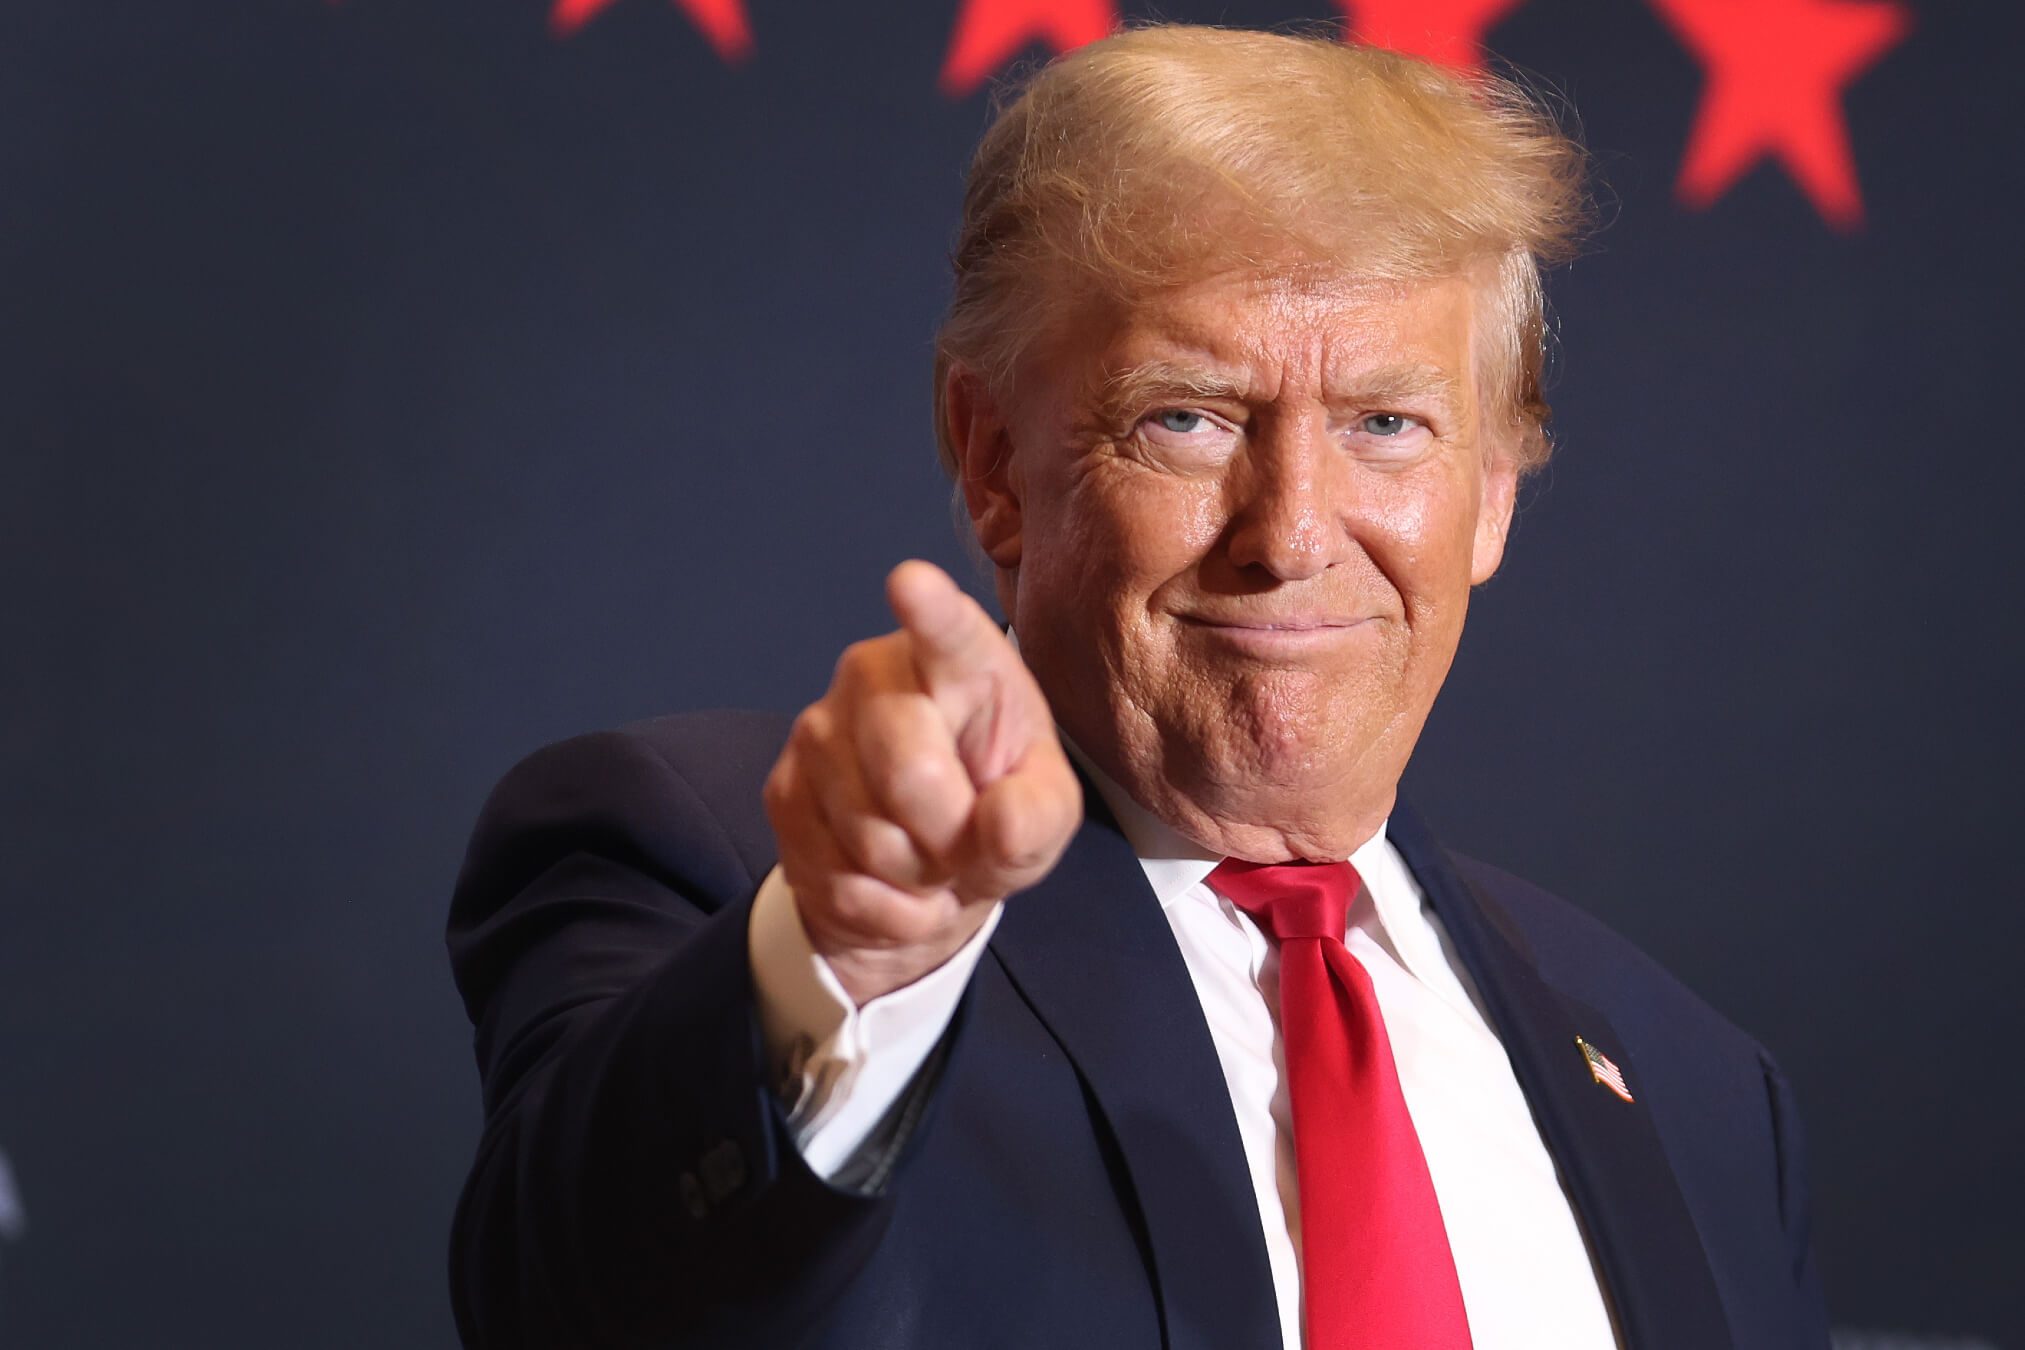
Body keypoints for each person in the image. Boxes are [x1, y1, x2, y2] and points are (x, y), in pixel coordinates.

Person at [446, 25, 1829, 1350]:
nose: (1288, 531)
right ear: (992, 457)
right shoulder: (728, 870)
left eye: (1385, 425)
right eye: (1189, 416)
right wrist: (852, 955)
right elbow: (581, 1310)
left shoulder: (1694, 1080)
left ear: (1490, 499)